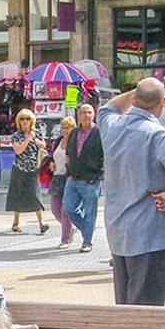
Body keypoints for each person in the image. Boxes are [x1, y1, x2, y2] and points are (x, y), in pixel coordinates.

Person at [98, 78, 165, 305]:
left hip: (119, 233)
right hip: (152, 234)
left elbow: (109, 107)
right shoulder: (158, 135)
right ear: (164, 102)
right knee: (148, 313)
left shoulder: (112, 126)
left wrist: (139, 91)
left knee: (126, 308)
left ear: (134, 99)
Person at [63, 103, 105, 253]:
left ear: (93, 115)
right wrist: (68, 172)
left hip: (91, 179)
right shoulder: (74, 132)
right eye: (83, 112)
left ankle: (87, 242)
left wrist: (101, 174)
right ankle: (86, 229)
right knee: (69, 208)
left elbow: (104, 154)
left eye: (89, 112)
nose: (86, 115)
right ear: (78, 115)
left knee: (90, 212)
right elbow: (69, 152)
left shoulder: (99, 132)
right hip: (73, 177)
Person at [4, 109, 48, 235]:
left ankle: (41, 223)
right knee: (17, 195)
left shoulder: (36, 133)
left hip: (33, 169)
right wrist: (27, 139)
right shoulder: (16, 136)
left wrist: (35, 139)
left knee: (35, 194)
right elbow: (18, 150)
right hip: (19, 169)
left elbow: (43, 145)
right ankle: (16, 223)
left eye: (27, 119)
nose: (25, 122)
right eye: (22, 119)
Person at [49, 115, 76, 248]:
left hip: (69, 178)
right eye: (63, 128)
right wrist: (51, 163)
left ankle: (65, 239)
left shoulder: (76, 142)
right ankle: (70, 228)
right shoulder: (58, 141)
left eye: (68, 128)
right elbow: (52, 156)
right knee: (55, 209)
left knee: (65, 210)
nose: (65, 130)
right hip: (57, 178)